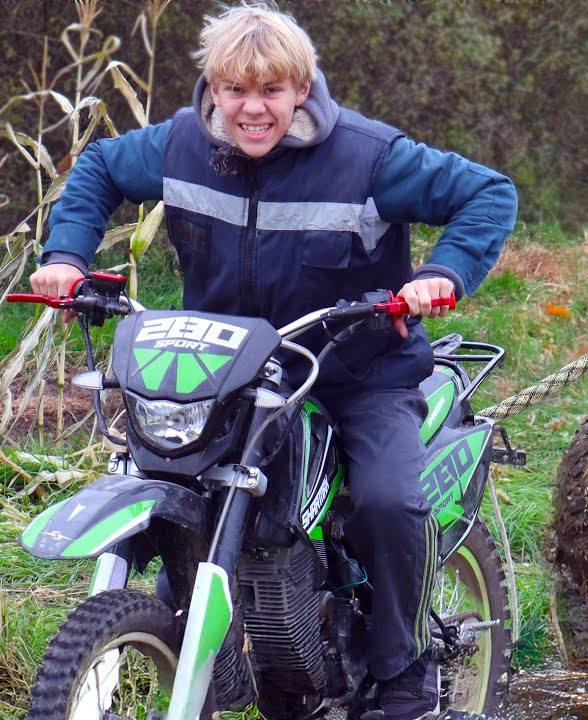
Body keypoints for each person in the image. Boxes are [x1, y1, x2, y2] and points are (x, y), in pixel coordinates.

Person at [29, 3, 517, 718]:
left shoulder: (369, 157)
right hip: (228, 374)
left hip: (357, 370)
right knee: (170, 482)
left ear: (302, 87)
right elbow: (100, 165)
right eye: (235, 91)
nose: (252, 110)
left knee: (387, 501)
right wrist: (67, 256)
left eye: (271, 92)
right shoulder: (181, 145)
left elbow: (487, 192)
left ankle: (403, 671)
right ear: (214, 89)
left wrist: (443, 274)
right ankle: (209, 642)